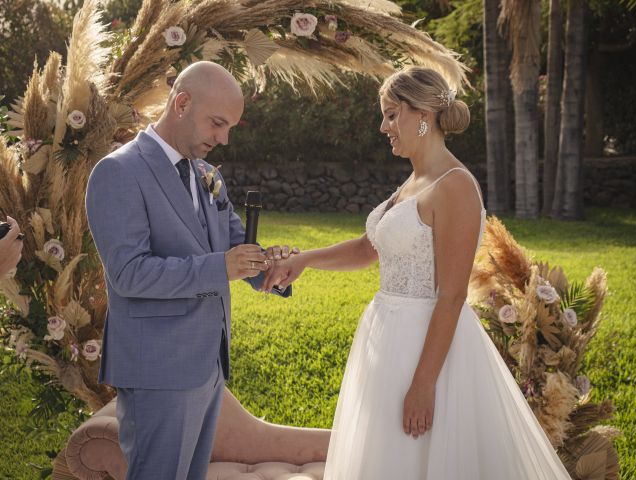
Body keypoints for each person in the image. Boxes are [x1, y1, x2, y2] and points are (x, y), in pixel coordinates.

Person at [262, 67, 572, 479]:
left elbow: (452, 296)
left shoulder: (455, 185)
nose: (383, 126)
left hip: (427, 351)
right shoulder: (412, 182)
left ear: (422, 113)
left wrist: (424, 386)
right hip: (386, 341)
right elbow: (368, 247)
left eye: (391, 115)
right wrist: (303, 260)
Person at [86, 61, 294, 480]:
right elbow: (129, 274)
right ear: (181, 103)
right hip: (158, 368)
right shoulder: (118, 172)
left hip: (207, 366)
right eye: (218, 123)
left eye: (230, 127)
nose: (224, 138)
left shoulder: (209, 175)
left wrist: (271, 269)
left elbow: (236, 249)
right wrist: (221, 267)